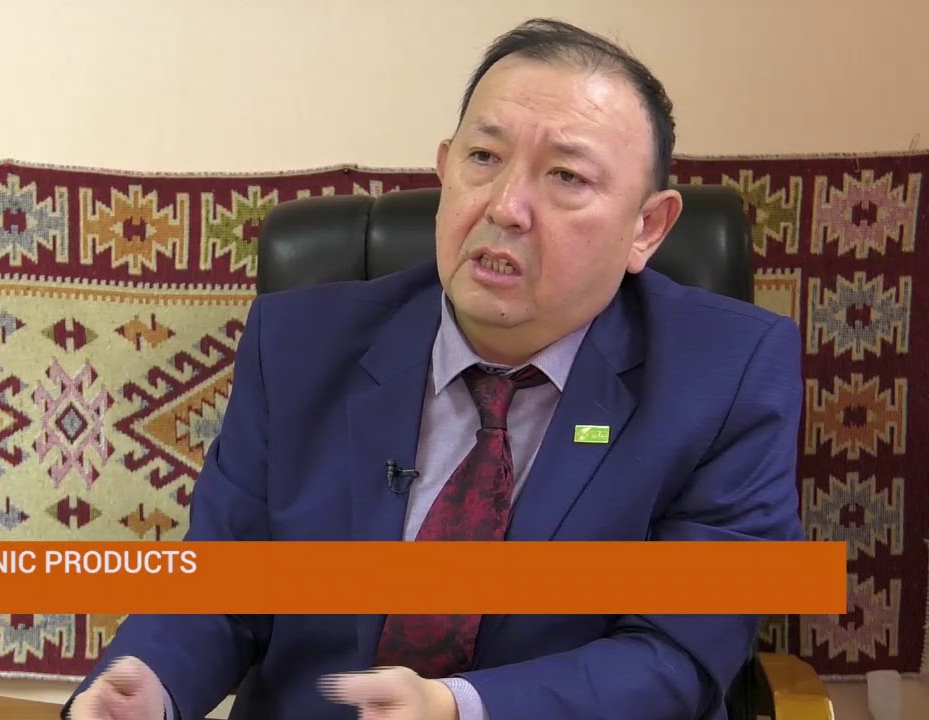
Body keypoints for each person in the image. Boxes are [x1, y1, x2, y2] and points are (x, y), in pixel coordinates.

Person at [63, 17, 804, 720]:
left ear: (647, 228)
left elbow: (678, 653)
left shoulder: (730, 376)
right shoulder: (297, 345)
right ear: (445, 169)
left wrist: (459, 708)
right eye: (484, 158)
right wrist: (147, 686)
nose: (506, 207)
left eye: (566, 176)